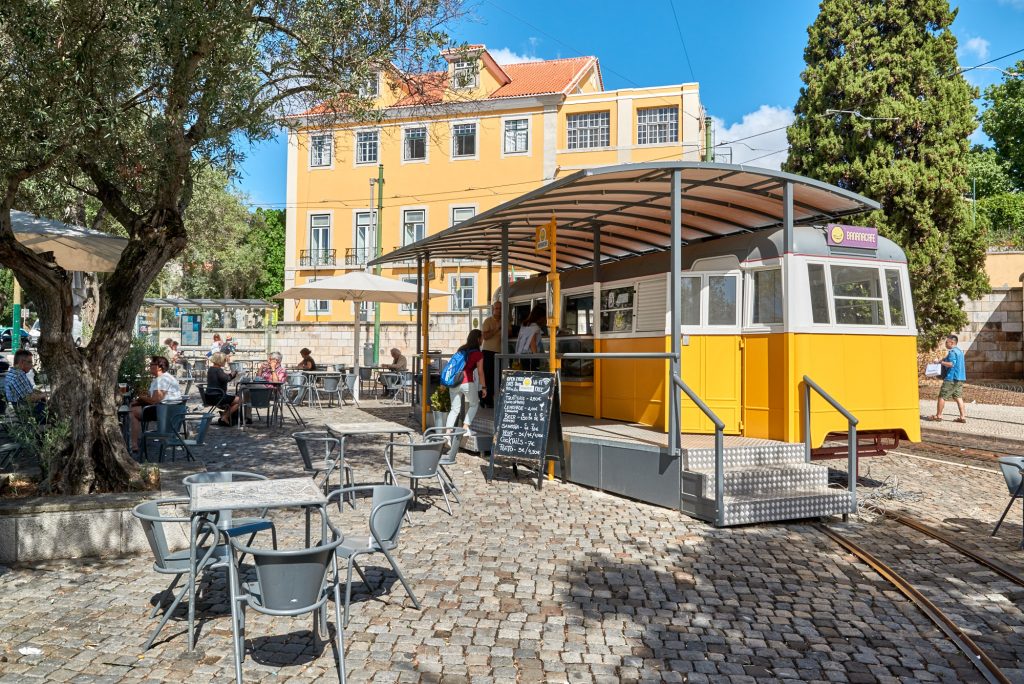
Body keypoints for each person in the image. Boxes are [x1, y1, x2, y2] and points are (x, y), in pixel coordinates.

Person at [130, 355, 182, 454]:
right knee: (134, 406)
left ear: (159, 367)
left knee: (133, 412)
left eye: (151, 364)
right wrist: (139, 401)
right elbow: (153, 398)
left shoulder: (162, 379)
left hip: (165, 412)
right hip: (165, 409)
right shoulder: (161, 378)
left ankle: (134, 444)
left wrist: (141, 397)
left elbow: (155, 400)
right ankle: (136, 440)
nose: (149, 366)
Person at [446, 329, 487, 437]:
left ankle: (447, 434)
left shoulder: (461, 349)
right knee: (474, 404)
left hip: (454, 381)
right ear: (478, 339)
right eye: (482, 337)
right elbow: (480, 372)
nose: (483, 339)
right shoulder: (478, 354)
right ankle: (465, 427)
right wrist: (484, 387)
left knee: (454, 410)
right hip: (467, 381)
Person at [929, 334, 967, 423]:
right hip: (960, 378)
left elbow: (951, 364)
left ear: (952, 342)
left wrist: (941, 362)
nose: (945, 344)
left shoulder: (952, 352)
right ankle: (962, 417)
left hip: (951, 378)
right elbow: (946, 359)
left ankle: (938, 416)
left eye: (947, 342)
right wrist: (939, 361)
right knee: (958, 397)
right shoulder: (960, 351)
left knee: (942, 396)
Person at [4, 349, 46, 421]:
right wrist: (44, 395)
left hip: (18, 406)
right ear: (22, 362)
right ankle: (44, 429)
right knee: (54, 407)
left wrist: (39, 393)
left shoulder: (12, 372)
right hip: (23, 409)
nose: (31, 365)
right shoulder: (19, 375)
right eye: (29, 362)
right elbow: (29, 398)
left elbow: (29, 390)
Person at [480, 301, 504, 408]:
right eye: (497, 308)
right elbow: (485, 336)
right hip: (489, 352)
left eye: (500, 308)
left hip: (501, 352)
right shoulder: (488, 321)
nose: (499, 311)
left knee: (498, 377)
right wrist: (497, 328)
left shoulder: (505, 320)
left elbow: (510, 333)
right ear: (493, 309)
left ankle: (491, 399)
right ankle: (486, 400)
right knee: (489, 377)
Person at [206, 352, 240, 426]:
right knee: (240, 400)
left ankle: (224, 414)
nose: (225, 362)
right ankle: (225, 416)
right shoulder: (218, 370)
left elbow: (223, 378)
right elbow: (226, 379)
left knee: (234, 399)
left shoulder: (211, 369)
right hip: (217, 397)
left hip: (210, 396)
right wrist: (233, 374)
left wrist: (231, 375)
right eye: (224, 360)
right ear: (220, 360)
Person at [515, 304, 546, 371]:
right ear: (540, 317)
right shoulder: (535, 328)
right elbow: (532, 342)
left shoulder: (524, 325)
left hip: (522, 355)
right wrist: (536, 357)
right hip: (531, 356)